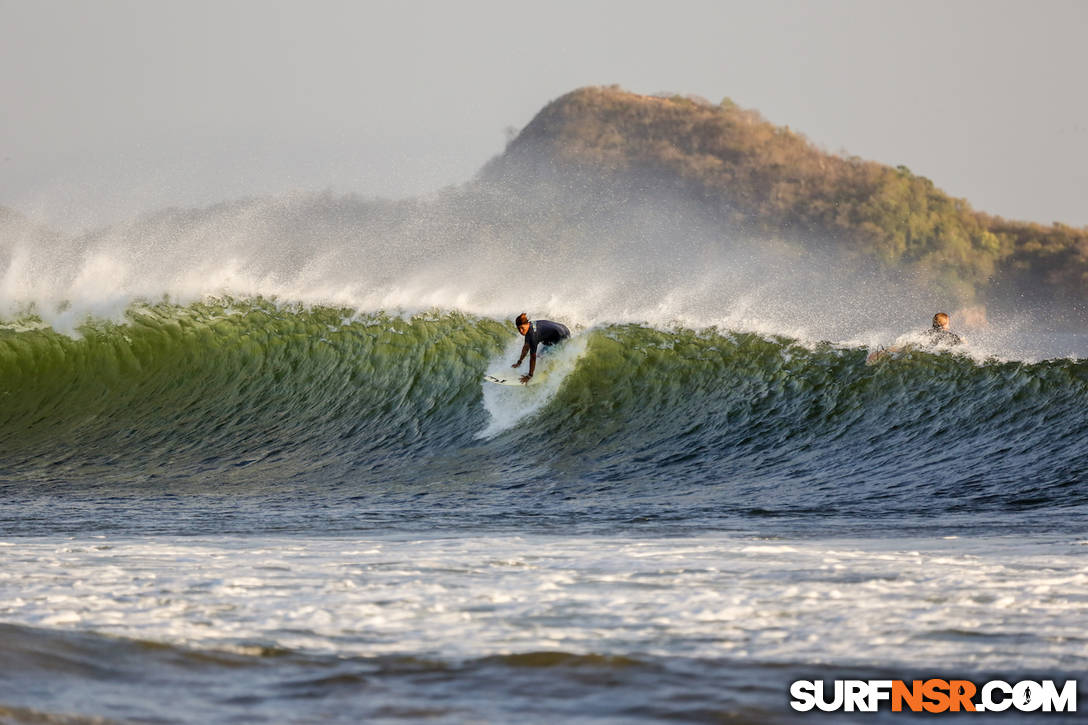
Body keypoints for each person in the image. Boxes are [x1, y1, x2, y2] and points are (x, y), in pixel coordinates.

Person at [511, 313, 570, 384]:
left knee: (543, 356)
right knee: (540, 355)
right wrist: (519, 362)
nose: (520, 331)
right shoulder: (529, 327)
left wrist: (529, 375)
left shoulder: (533, 335)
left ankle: (548, 373)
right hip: (562, 328)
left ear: (527, 324)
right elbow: (526, 347)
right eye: (518, 328)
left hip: (562, 336)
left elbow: (533, 357)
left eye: (522, 328)